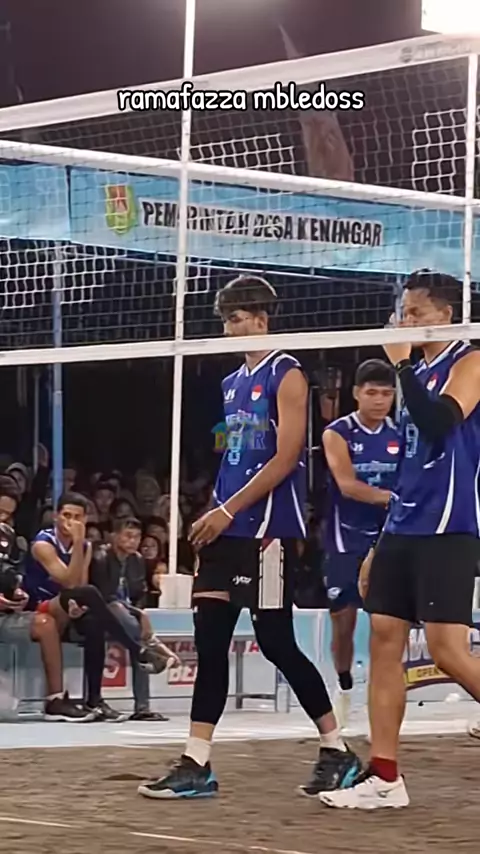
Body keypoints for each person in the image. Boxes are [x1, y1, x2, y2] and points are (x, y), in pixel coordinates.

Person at [138, 274, 361, 800]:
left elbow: (286, 458)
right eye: (225, 320)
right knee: (211, 643)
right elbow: (234, 453)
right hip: (227, 527)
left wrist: (228, 510)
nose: (228, 328)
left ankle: (336, 748)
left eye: (235, 318)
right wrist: (213, 509)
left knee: (278, 642)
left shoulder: (288, 374)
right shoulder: (231, 383)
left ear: (260, 318)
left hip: (268, 533)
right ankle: (197, 762)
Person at [319, 269, 480, 810]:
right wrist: (378, 542)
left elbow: (439, 421)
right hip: (403, 525)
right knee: (383, 639)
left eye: (415, 312)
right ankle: (384, 776)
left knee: (448, 650)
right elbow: (410, 462)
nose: (404, 320)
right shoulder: (418, 371)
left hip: (448, 526)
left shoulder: (469, 362)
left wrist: (403, 364)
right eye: (402, 311)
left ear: (446, 315)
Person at [25, 492, 170, 721]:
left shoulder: (86, 546)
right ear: (56, 516)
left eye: (77, 517)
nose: (71, 522)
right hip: (40, 607)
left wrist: (78, 604)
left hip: (69, 605)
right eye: (66, 515)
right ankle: (139, 651)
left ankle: (94, 700)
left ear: (85, 519)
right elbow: (69, 582)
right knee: (91, 593)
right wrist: (79, 544)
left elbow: (79, 585)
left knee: (95, 622)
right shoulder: (43, 544)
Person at [321, 359, 398, 727]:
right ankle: (344, 685)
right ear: (356, 393)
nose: (379, 400)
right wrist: (394, 498)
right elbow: (348, 485)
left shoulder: (402, 433)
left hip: (388, 537)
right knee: (344, 622)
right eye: (372, 392)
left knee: (385, 622)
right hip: (345, 537)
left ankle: (378, 698)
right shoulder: (337, 433)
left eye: (386, 393)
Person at [0, 478, 91, 721]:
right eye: (0, 512)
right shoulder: (42, 543)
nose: (3, 519)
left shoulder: (9, 541)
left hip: (7, 615)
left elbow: (10, 577)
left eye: (8, 514)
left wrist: (16, 594)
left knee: (46, 623)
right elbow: (69, 582)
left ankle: (56, 700)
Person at [90, 517, 178, 721]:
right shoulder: (100, 557)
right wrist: (140, 614)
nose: (133, 541)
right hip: (102, 615)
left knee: (134, 631)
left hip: (128, 618)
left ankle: (143, 706)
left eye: (137, 537)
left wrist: (140, 612)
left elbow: (139, 594)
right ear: (114, 536)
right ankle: (154, 651)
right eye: (128, 536)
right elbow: (105, 597)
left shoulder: (137, 560)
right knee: (119, 611)